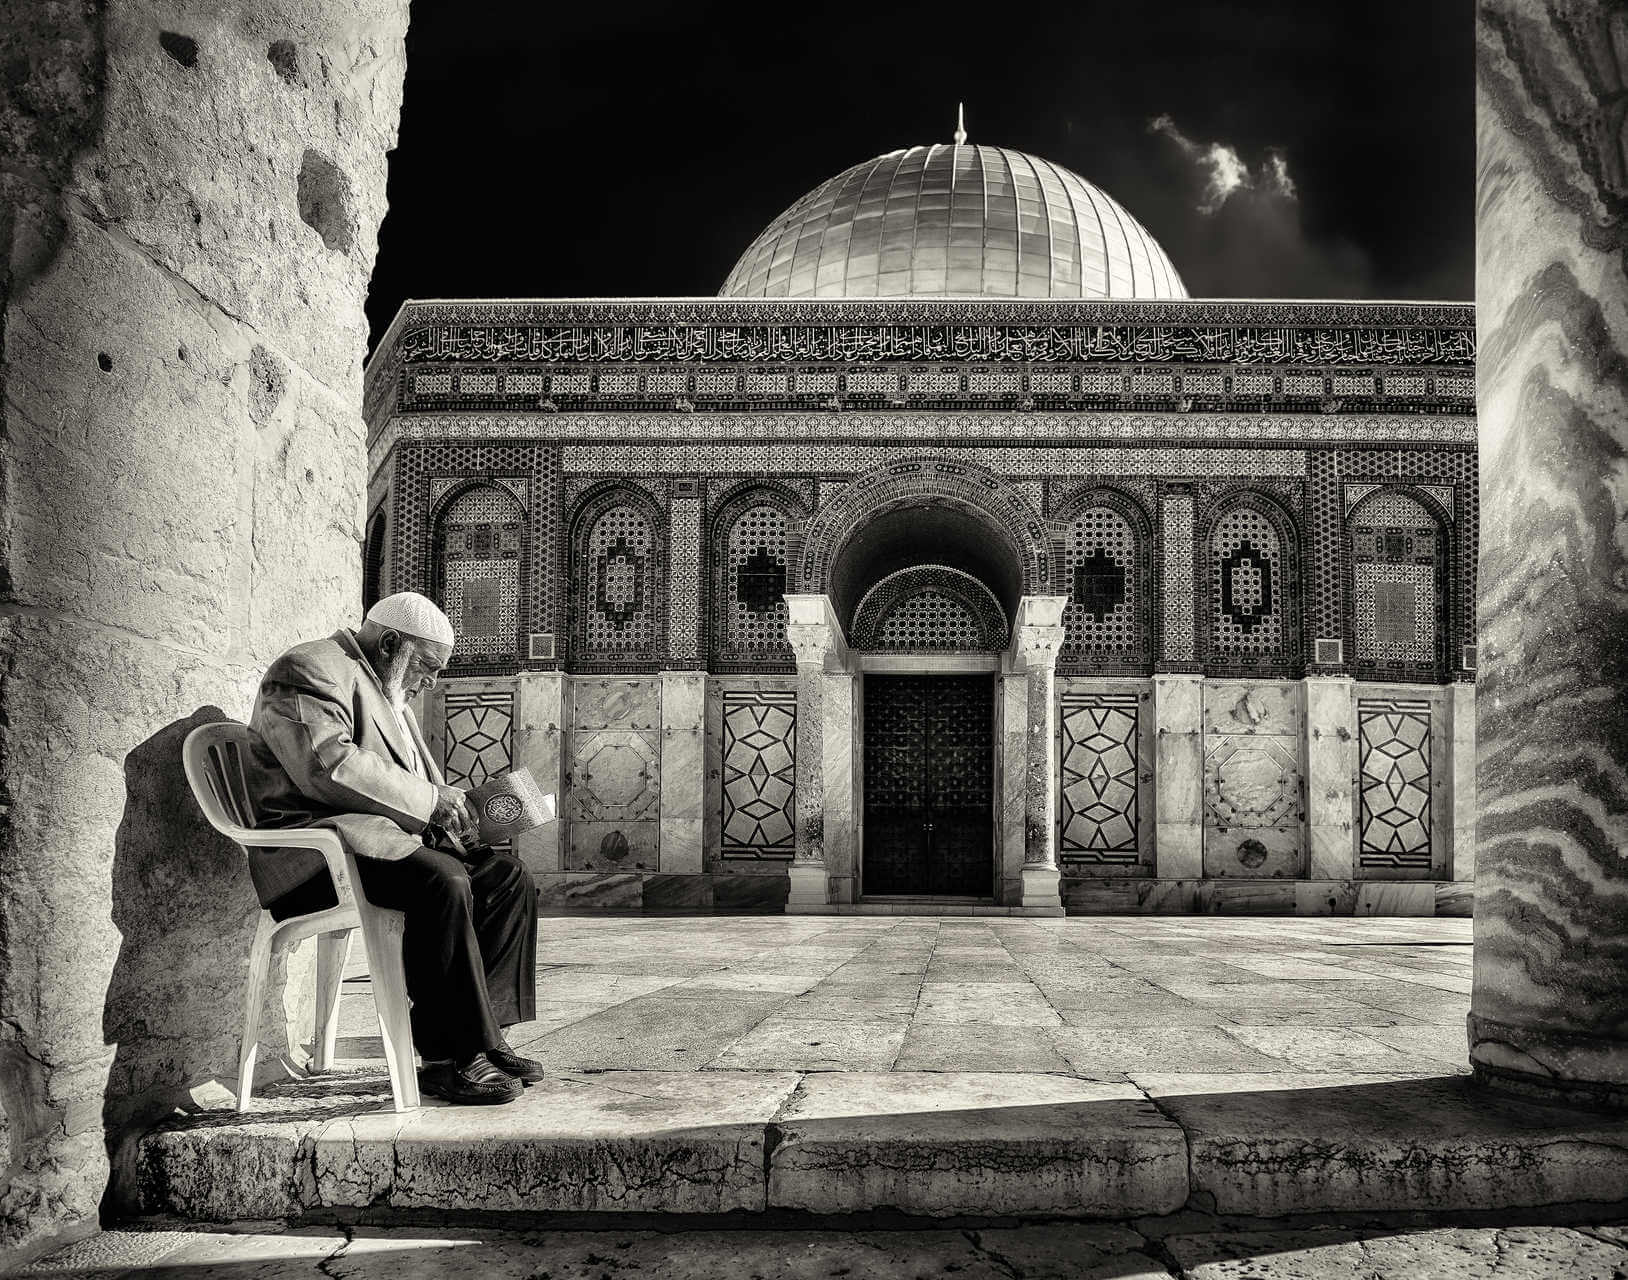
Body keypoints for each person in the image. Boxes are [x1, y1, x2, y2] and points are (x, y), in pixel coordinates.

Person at [240, 591, 543, 1105]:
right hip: (314, 855)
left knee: (507, 878)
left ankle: (485, 1037)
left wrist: (456, 810)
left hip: (372, 845)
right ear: (390, 644)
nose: (432, 683)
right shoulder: (308, 669)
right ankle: (446, 1058)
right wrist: (432, 800)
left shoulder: (384, 688)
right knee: (442, 880)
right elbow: (327, 765)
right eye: (427, 666)